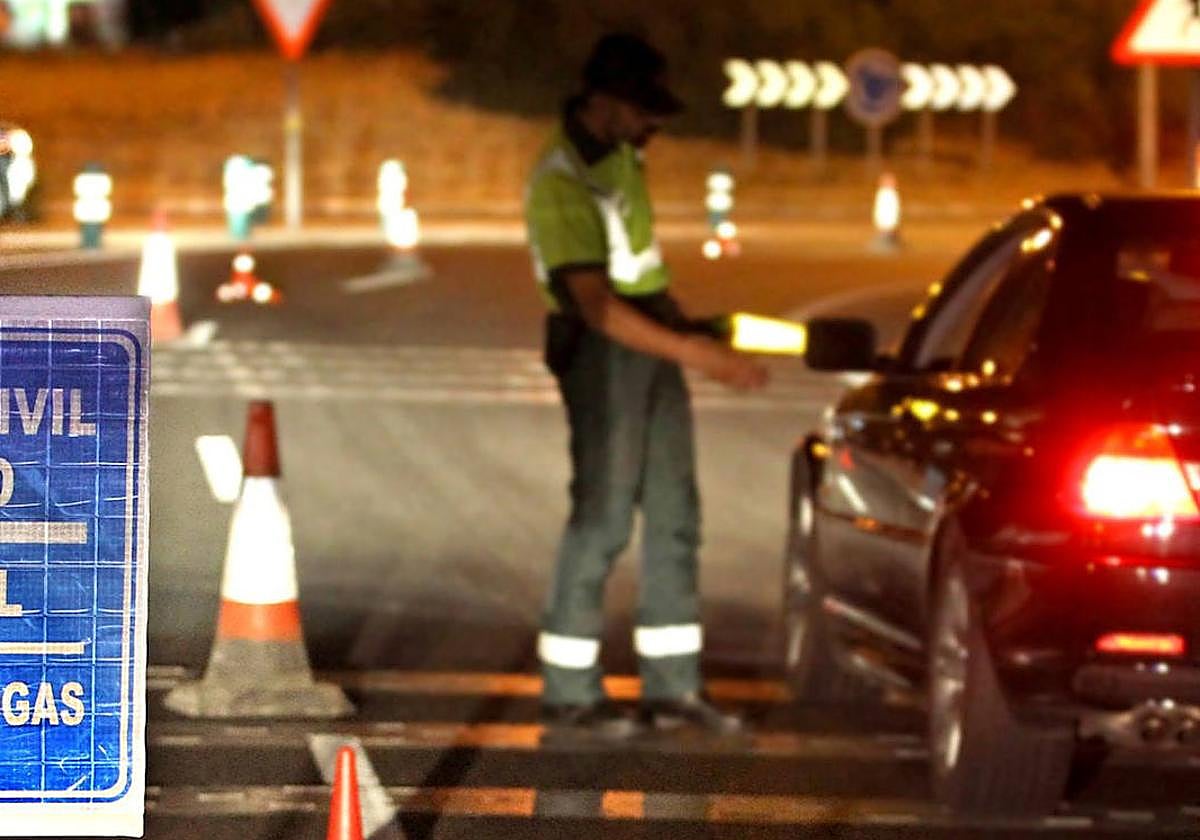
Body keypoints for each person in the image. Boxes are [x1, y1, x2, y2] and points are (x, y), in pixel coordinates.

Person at [524, 32, 769, 740]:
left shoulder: (622, 154)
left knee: (675, 515)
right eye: (642, 110)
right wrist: (699, 355)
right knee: (603, 517)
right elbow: (597, 307)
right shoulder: (562, 181)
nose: (653, 124)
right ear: (602, 101)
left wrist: (688, 331)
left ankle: (673, 688)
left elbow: (636, 269)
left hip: (651, 335)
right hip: (605, 351)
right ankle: (569, 692)